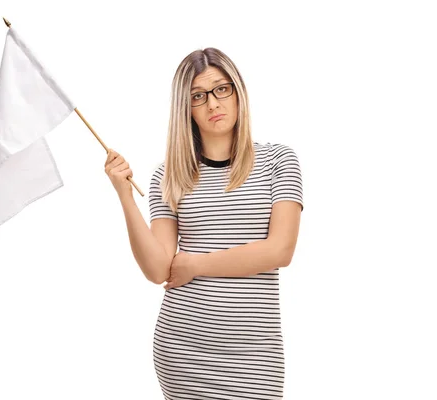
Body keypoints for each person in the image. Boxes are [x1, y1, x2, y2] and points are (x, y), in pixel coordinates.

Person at [104, 47, 303, 400]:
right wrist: (124, 195)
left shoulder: (278, 161)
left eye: (221, 89)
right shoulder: (168, 176)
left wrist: (197, 263)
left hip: (255, 355)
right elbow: (158, 268)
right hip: (183, 350)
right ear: (186, 109)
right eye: (198, 96)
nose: (213, 104)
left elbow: (280, 250)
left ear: (238, 93)